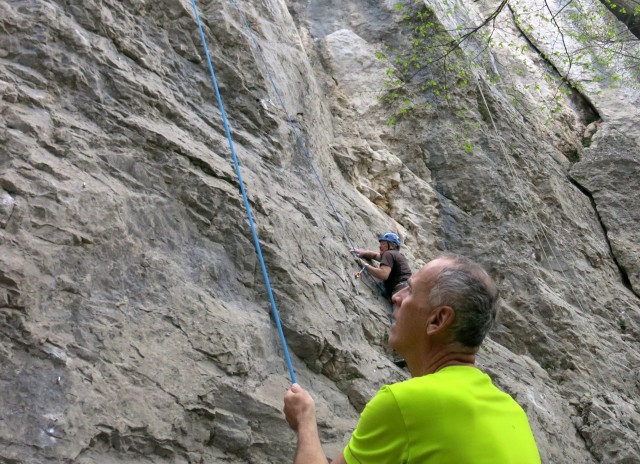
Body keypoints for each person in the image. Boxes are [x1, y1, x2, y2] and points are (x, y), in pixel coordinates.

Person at [283, 253, 541, 464]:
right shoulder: (513, 413)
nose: (397, 297)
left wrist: (305, 421)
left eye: (410, 290)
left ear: (438, 320)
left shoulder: (405, 403)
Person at [351, 232, 412, 300]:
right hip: (408, 288)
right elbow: (375, 256)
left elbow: (383, 274)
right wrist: (364, 252)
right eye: (380, 244)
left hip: (401, 289)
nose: (380, 246)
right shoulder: (397, 256)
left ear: (392, 246)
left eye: (383, 244)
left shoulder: (389, 254)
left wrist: (363, 264)